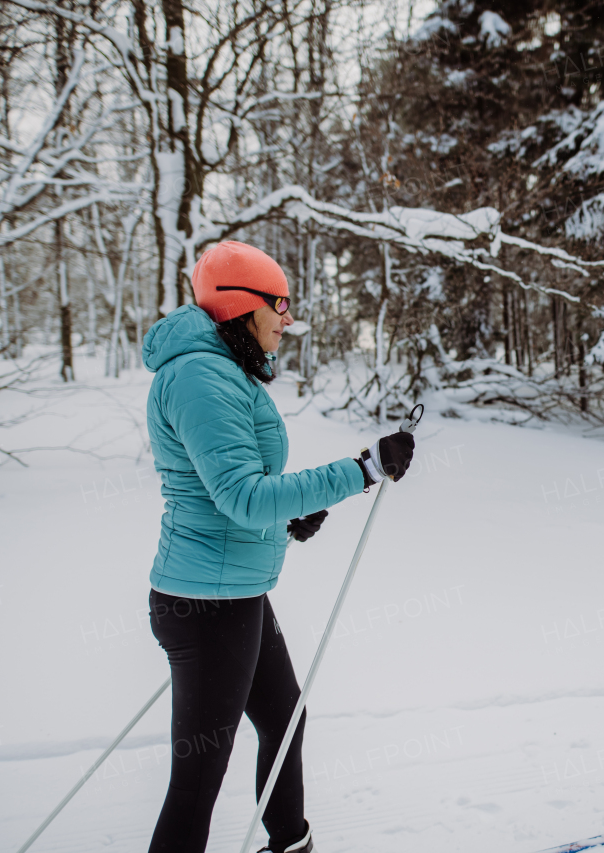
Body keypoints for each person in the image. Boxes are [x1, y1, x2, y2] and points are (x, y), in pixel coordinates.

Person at [141, 240, 415, 853]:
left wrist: (290, 516)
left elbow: (236, 488)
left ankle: (291, 845)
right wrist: (362, 469)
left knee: (285, 719)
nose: (288, 319)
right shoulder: (199, 377)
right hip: (205, 604)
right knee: (197, 782)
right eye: (280, 304)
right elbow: (240, 495)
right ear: (243, 306)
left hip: (234, 594)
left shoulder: (222, 369)